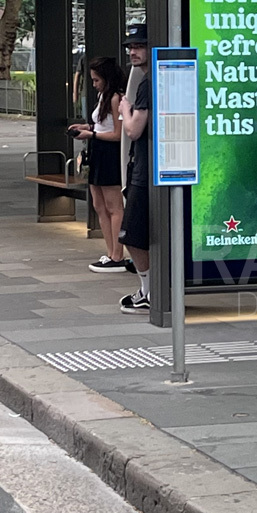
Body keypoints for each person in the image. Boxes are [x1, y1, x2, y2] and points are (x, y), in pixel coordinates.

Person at [71, 57, 136, 274]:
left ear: (107, 79)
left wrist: (92, 133)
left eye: (97, 80)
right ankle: (110, 252)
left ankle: (118, 254)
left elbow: (118, 134)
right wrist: (87, 127)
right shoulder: (102, 97)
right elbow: (102, 124)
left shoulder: (117, 98)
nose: (94, 84)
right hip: (97, 150)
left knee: (113, 206)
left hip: (110, 153)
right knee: (99, 205)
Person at [117, 24, 152, 314]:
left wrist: (125, 109)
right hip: (159, 167)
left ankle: (148, 290)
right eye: (130, 47)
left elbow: (134, 130)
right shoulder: (156, 80)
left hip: (145, 172)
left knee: (131, 234)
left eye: (139, 46)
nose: (133, 52)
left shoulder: (147, 85)